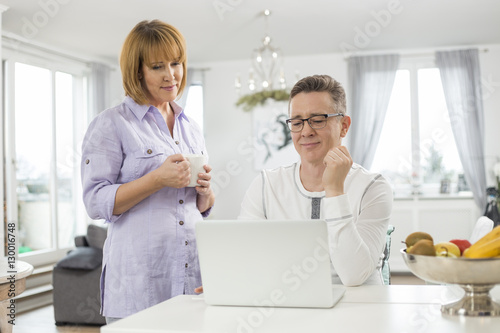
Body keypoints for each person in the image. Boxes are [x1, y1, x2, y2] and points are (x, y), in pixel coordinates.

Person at [81, 20, 214, 323]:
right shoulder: (112, 124)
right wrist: (156, 179)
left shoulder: (190, 127)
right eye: (157, 66)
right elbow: (95, 202)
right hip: (139, 283)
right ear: (137, 71)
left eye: (176, 63)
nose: (172, 75)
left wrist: (206, 191)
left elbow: (200, 207)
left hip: (192, 276)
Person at [238, 74, 393, 286]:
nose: (306, 131)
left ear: (344, 126)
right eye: (297, 122)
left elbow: (354, 274)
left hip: (358, 310)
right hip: (292, 307)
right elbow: (246, 257)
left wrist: (335, 189)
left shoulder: (373, 187)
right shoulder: (266, 186)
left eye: (318, 120)